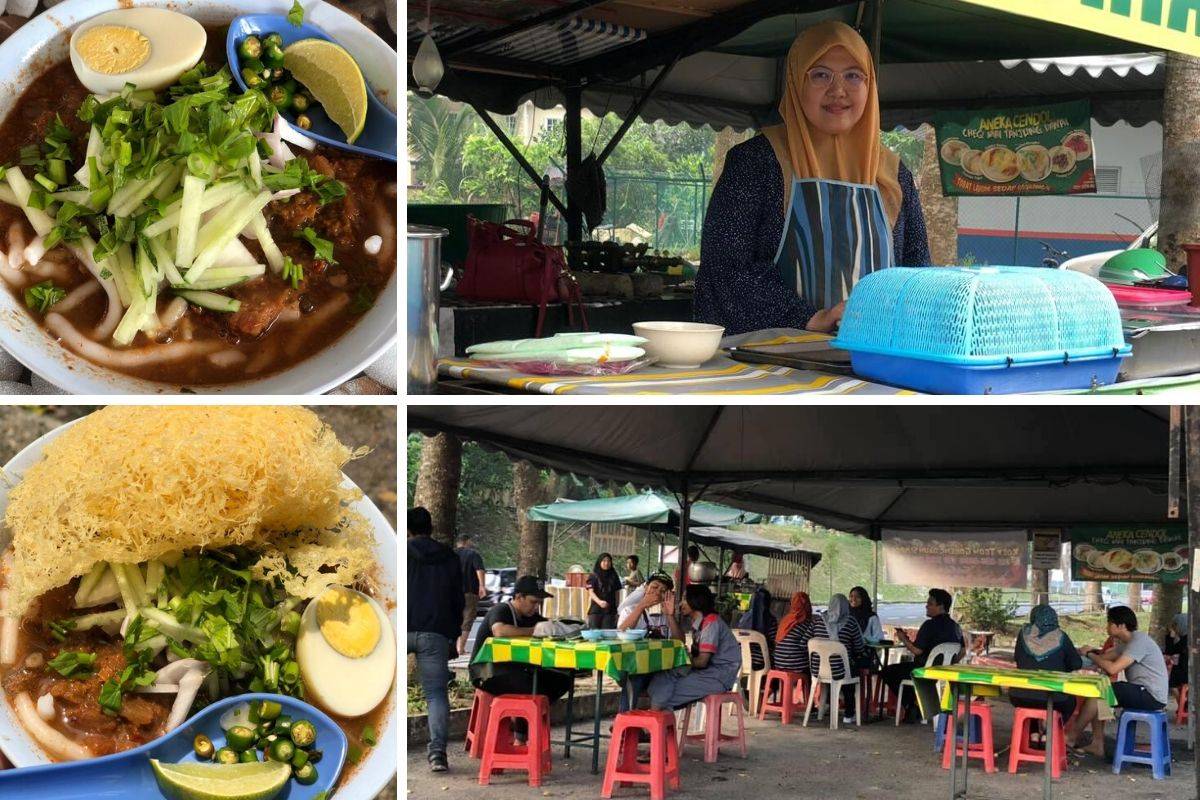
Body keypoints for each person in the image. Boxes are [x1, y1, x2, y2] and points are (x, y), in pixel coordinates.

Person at [695, 20, 930, 337]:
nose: (838, 90)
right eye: (820, 74)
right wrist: (808, 317)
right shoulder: (756, 162)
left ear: (870, 85)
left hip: (873, 359)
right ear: (794, 82)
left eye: (853, 75)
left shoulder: (894, 173)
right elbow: (724, 270)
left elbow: (917, 275)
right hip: (773, 362)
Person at [468, 575, 573, 744]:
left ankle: (526, 719)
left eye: (539, 603)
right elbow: (499, 631)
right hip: (488, 672)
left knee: (562, 680)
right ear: (518, 597)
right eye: (533, 602)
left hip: (518, 671)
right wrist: (534, 631)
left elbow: (549, 627)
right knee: (532, 688)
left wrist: (562, 627)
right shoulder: (501, 610)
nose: (536, 607)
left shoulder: (533, 617)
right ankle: (521, 736)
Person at [1066, 605, 1170, 758]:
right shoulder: (1126, 644)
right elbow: (1104, 658)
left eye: (1109, 623)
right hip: (1141, 691)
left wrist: (1089, 653)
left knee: (1099, 693)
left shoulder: (1139, 641)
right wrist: (1083, 655)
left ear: (1121, 626)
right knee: (1102, 697)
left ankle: (1071, 737)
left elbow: (1113, 668)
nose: (1107, 627)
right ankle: (1097, 744)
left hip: (1151, 695)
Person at [407, 507, 464, 773]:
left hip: (400, 630)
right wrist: (453, 636)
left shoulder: (402, 552)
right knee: (436, 695)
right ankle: (437, 755)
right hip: (435, 633)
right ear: (430, 527)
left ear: (408, 529)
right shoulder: (450, 558)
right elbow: (457, 600)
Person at [647, 585, 743, 711]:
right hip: (706, 673)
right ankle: (653, 721)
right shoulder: (699, 623)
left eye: (685, 599)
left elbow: (702, 662)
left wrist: (682, 660)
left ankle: (651, 724)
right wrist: (669, 615)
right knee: (661, 679)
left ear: (696, 600)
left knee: (666, 691)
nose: (681, 604)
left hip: (718, 676)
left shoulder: (711, 623)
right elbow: (679, 642)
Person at [880, 588, 964, 722]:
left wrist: (903, 638)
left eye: (930, 603)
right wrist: (949, 664)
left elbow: (917, 650)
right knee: (899, 670)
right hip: (943, 672)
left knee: (887, 671)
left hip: (923, 670)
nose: (926, 606)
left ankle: (911, 704)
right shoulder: (955, 627)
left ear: (941, 606)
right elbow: (963, 650)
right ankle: (915, 704)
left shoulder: (929, 625)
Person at [1008, 605, 1083, 719]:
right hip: (1054, 698)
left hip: (1018, 695)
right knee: (1070, 702)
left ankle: (1034, 732)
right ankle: (1048, 733)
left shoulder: (1023, 634)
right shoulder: (1061, 637)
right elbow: (1076, 664)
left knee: (1031, 704)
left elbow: (1018, 659)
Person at [615, 573, 675, 711]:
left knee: (666, 679)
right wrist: (641, 606)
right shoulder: (629, 610)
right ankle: (624, 721)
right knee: (634, 678)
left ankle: (646, 724)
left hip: (658, 669)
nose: (656, 592)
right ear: (646, 587)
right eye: (654, 587)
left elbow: (680, 641)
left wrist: (671, 615)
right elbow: (621, 633)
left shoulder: (665, 615)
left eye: (662, 591)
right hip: (633, 666)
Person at [821, 593, 870, 724]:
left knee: (839, 667)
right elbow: (859, 647)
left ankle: (825, 707)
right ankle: (849, 714)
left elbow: (806, 641)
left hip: (818, 670)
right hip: (841, 670)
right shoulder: (850, 622)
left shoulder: (818, 621)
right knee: (851, 669)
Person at [773, 590, 828, 674]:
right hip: (796, 665)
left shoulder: (785, 620)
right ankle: (807, 686)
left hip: (778, 662)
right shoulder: (806, 622)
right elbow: (805, 645)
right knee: (815, 665)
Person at [455, 534, 487, 656]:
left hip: (452, 592)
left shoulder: (450, 554)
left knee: (455, 619)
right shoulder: (473, 554)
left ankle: (454, 647)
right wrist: (482, 586)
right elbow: (480, 570)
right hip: (469, 592)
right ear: (466, 541)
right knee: (467, 619)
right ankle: (460, 648)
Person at [736, 587, 777, 670]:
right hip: (761, 662)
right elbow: (774, 642)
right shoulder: (771, 620)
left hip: (740, 659)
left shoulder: (744, 618)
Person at [586, 552, 623, 629]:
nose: (606, 563)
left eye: (609, 561)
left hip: (610, 610)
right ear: (600, 562)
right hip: (596, 609)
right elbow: (591, 592)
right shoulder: (593, 575)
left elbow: (617, 592)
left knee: (607, 633)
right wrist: (599, 602)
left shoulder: (614, 575)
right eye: (604, 561)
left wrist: (617, 607)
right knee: (594, 633)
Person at [1165, 612, 1189, 710]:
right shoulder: (1189, 637)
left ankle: (1183, 706)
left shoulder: (1186, 639)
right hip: (1189, 671)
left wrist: (1170, 637)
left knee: (1172, 683)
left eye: (1175, 626)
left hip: (1186, 673)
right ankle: (1184, 706)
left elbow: (1170, 651)